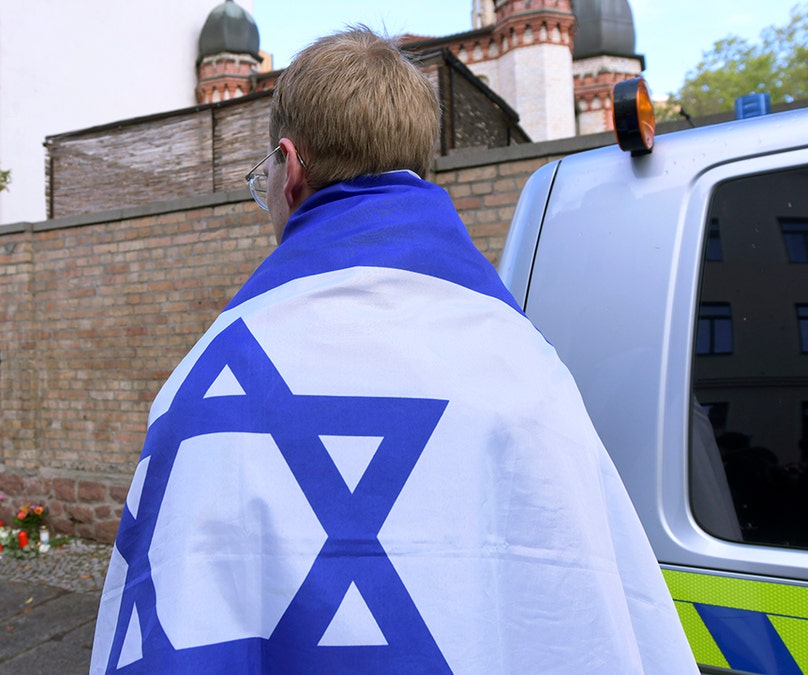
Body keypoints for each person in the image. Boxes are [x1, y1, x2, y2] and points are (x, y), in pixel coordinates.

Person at [91, 28, 697, 674]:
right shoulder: (531, 373)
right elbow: (592, 620)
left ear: (290, 171)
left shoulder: (206, 390)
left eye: (262, 176)